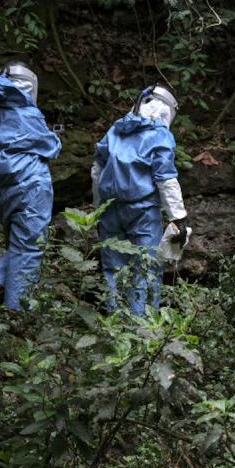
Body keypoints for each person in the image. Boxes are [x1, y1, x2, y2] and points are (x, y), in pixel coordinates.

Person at [0, 62, 62, 310]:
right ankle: (17, 314)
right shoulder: (27, 113)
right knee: (29, 248)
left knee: (20, 243)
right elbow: (52, 148)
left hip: (1, 189)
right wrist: (54, 135)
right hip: (31, 186)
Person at [91, 85, 188, 315]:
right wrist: (179, 217)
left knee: (113, 268)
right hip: (142, 211)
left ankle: (114, 325)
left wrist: (97, 208)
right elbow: (165, 178)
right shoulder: (161, 135)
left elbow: (96, 170)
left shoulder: (116, 129)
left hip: (109, 209)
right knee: (144, 267)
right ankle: (141, 331)